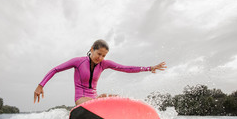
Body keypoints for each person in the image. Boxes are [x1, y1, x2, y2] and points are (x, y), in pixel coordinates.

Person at [34, 39, 166, 105]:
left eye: (104, 56)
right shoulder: (78, 61)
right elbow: (56, 69)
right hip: (81, 99)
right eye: (98, 54)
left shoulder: (103, 64)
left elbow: (126, 68)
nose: (100, 58)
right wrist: (40, 85)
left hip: (95, 99)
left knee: (114, 98)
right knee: (100, 100)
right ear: (92, 49)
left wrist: (149, 68)